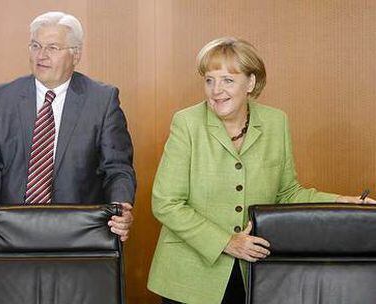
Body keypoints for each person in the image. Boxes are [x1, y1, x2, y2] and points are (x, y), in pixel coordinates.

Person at [147, 37, 375, 304]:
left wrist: (341, 202)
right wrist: (227, 242)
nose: (216, 90)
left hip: (255, 274)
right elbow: (166, 202)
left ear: (251, 83)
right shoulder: (186, 123)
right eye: (209, 80)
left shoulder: (275, 122)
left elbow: (287, 193)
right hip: (189, 278)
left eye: (227, 80)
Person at [0, 12, 135, 242]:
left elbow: (117, 167)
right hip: (9, 231)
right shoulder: (1, 98)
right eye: (35, 46)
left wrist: (120, 206)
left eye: (52, 48)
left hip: (80, 233)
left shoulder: (102, 100)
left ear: (76, 54)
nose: (41, 55)